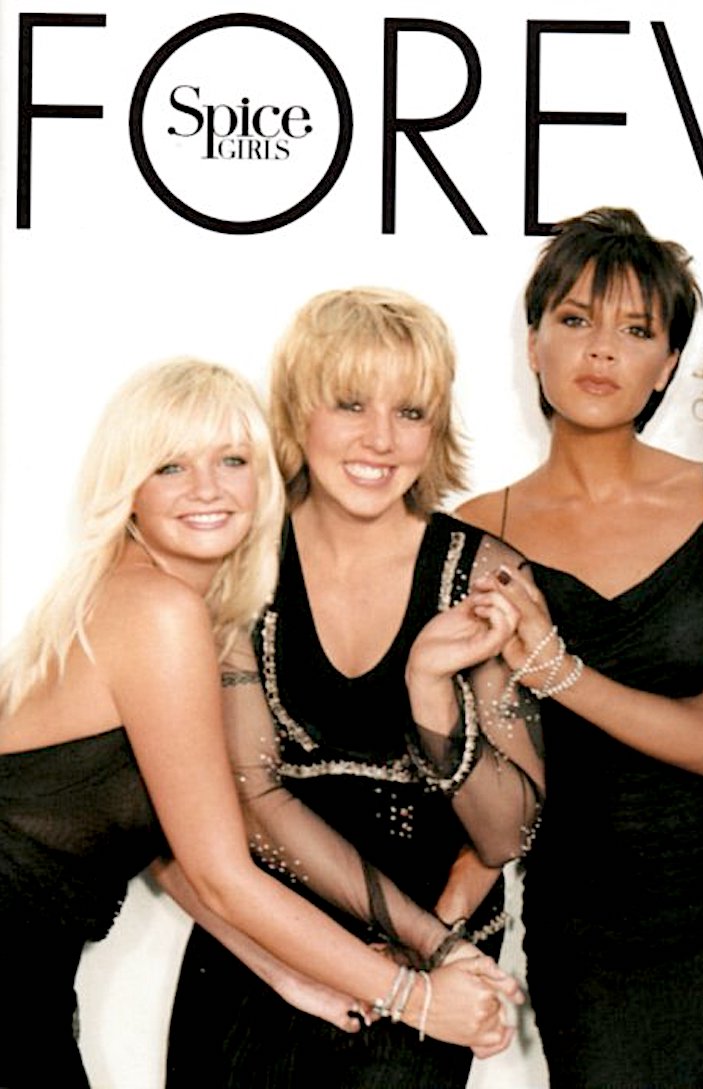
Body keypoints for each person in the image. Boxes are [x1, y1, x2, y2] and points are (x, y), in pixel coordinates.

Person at [0, 359, 517, 1089]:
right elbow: (220, 872)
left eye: (232, 460)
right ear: (128, 489)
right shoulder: (157, 612)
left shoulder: (155, 603)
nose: (207, 488)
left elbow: (173, 854)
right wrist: (415, 998)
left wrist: (288, 977)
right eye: (170, 466)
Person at [458, 208, 703, 1088]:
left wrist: (558, 668)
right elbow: (486, 767)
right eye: (575, 319)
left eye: (636, 330)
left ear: (668, 363)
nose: (602, 350)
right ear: (533, 343)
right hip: (585, 934)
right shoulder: (472, 534)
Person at [167, 290, 543, 1089]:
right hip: (269, 949)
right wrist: (400, 958)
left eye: (410, 411)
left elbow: (508, 831)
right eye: (349, 404)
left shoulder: (481, 573)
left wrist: (430, 689)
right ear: (297, 410)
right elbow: (252, 797)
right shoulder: (240, 559)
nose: (381, 439)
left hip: (440, 954)